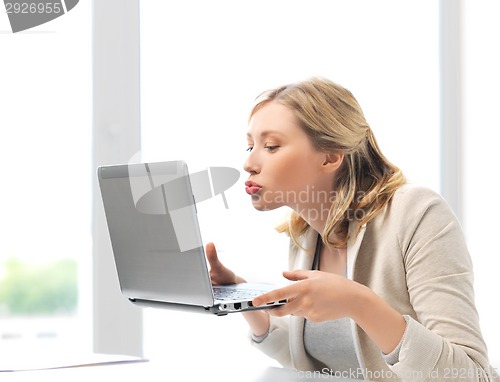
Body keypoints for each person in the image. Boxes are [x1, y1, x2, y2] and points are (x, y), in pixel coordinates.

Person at [206, 77, 498, 381]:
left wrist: (358, 303)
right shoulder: (306, 233)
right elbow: (320, 362)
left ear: (331, 156)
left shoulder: (418, 213)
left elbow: (470, 375)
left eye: (270, 146)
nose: (248, 163)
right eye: (250, 145)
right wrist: (243, 299)